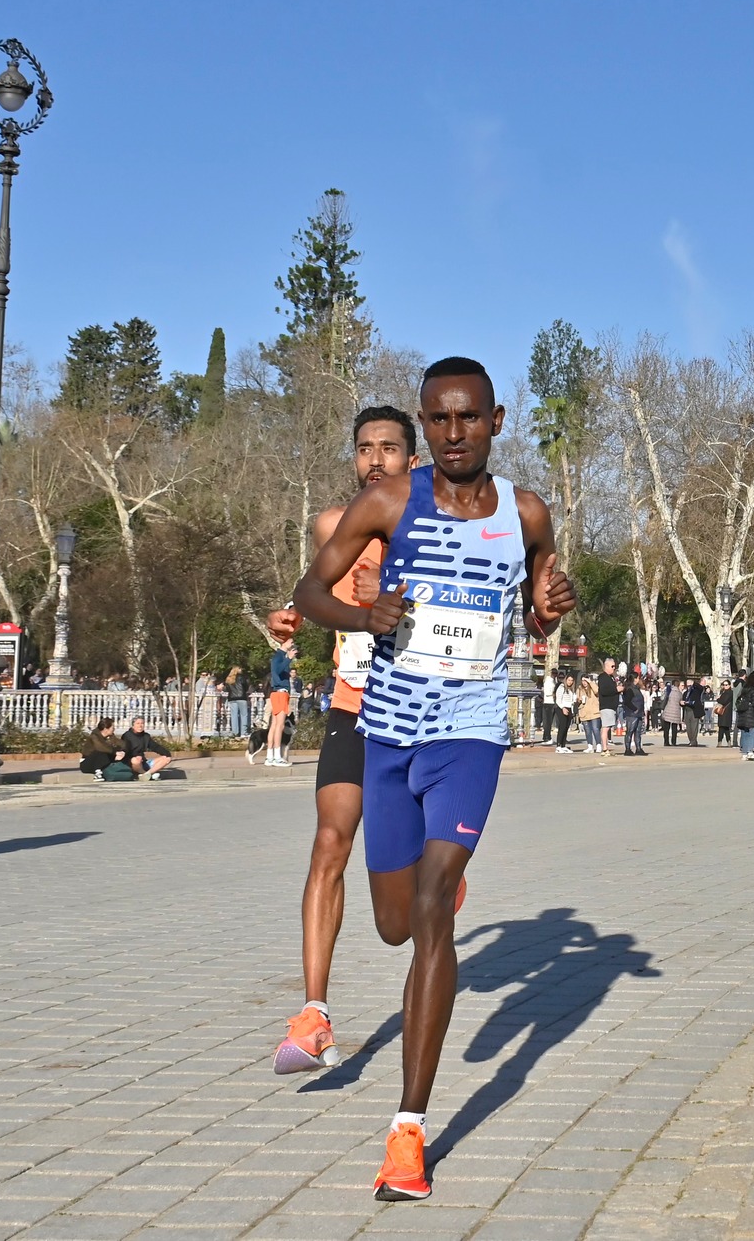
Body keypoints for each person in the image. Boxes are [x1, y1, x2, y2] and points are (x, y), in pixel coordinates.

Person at [290, 356, 575, 1203]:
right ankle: (431, 891)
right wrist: (358, 612)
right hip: (387, 733)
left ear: (496, 419)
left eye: (469, 419)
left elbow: (538, 602)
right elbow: (312, 589)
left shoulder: (525, 512)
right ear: (427, 423)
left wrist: (550, 606)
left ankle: (407, 1132)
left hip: (471, 732)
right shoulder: (389, 502)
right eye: (439, 421)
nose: (454, 436)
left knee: (431, 904)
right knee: (391, 924)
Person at [270, 405, 417, 1077]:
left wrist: (389, 596)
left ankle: (434, 879)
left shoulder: (434, 527)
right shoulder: (333, 525)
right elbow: (315, 591)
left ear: (412, 459)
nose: (376, 460)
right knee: (330, 839)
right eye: (364, 448)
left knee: (399, 917)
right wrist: (292, 616)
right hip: (352, 706)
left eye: (389, 448)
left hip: (418, 715)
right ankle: (313, 1013)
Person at [265, 633, 295, 767]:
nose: (292, 645)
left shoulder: (278, 656)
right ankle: (277, 757)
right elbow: (276, 671)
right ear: (285, 642)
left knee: (274, 725)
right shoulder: (279, 657)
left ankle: (270, 756)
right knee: (279, 725)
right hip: (281, 693)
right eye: (291, 643)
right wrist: (288, 659)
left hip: (276, 693)